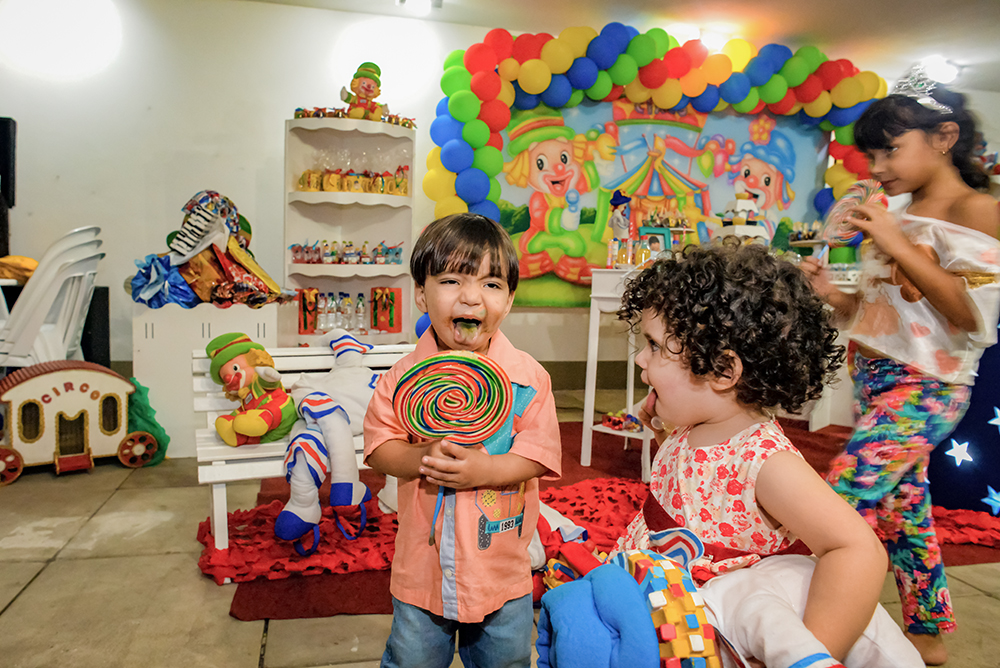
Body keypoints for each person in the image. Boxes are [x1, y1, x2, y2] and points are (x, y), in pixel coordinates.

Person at [613, 243, 922, 668]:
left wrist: (808, 648)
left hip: (718, 631)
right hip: (663, 603)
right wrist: (666, 425)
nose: (641, 359)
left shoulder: (764, 460)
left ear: (723, 371)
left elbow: (858, 550)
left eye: (653, 346)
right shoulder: (697, 422)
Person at [800, 69, 1000, 665]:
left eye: (892, 148)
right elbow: (876, 310)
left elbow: (969, 316)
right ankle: (929, 635)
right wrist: (831, 296)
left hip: (929, 386)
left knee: (842, 495)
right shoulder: (897, 210)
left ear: (943, 137)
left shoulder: (979, 210)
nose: (879, 166)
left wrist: (895, 236)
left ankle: (803, 630)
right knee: (904, 512)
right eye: (872, 153)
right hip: (875, 377)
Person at [364, 213, 562, 668]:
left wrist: (485, 470)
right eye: (451, 280)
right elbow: (379, 448)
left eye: (491, 285)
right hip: (423, 571)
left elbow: (537, 455)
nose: (471, 296)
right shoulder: (401, 379)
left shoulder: (528, 380)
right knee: (411, 659)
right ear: (421, 293)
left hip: (501, 570)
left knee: (506, 660)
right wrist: (421, 458)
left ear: (509, 300)